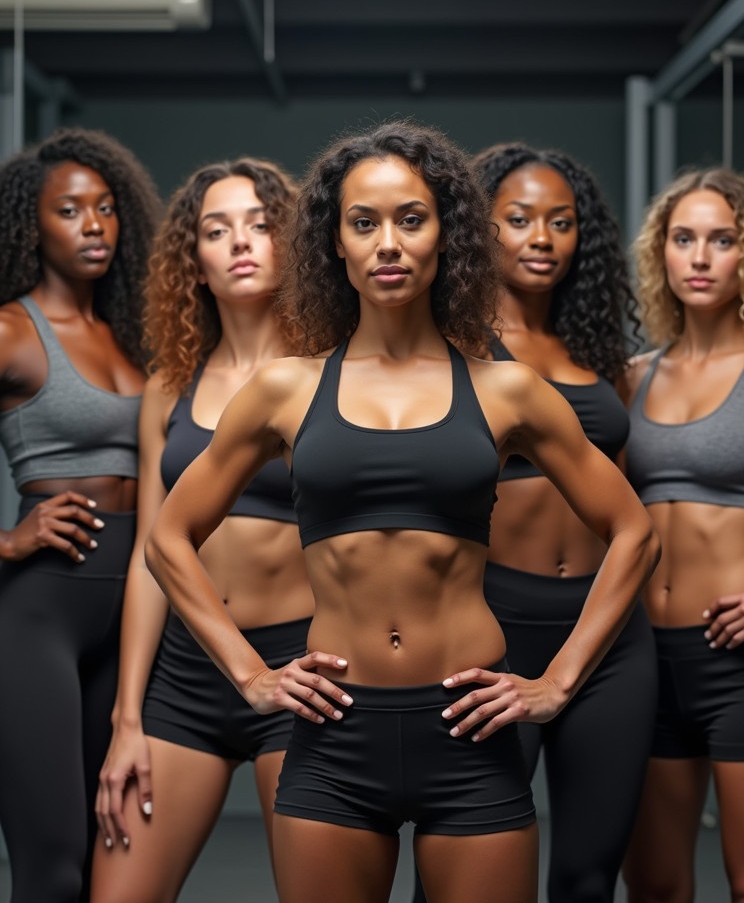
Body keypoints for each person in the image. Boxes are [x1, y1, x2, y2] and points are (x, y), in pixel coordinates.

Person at [143, 119, 659, 903]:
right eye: (364, 223)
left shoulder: (505, 389)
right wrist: (249, 675)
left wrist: (556, 682)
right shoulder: (286, 389)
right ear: (335, 246)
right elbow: (168, 538)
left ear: (446, 237)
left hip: (468, 730)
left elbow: (633, 531)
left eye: (411, 220)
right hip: (335, 732)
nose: (388, 242)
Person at [90, 157, 313, 903]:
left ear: (293, 245)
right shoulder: (169, 388)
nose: (241, 242)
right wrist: (128, 720)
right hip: (185, 677)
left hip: (300, 670)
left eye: (260, 225)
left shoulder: (332, 374)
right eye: (217, 231)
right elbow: (151, 559)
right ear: (196, 262)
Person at [454, 141, 656, 903]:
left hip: (609, 630)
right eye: (519, 219)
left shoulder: (598, 352)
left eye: (561, 222)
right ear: (481, 228)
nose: (542, 237)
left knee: (586, 875)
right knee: (463, 874)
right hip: (497, 623)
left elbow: (626, 496)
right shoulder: (453, 348)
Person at [0, 128, 161, 903]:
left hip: (133, 610)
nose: (94, 224)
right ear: (33, 225)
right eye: (70, 210)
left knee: (117, 854)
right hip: (41, 617)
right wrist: (7, 539)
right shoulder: (11, 332)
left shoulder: (138, 334)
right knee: (54, 865)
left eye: (105, 208)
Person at [621, 168, 744, 903]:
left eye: (722, 240)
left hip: (742, 664)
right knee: (653, 885)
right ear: (663, 254)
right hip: (646, 657)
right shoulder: (634, 377)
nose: (701, 257)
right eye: (684, 239)